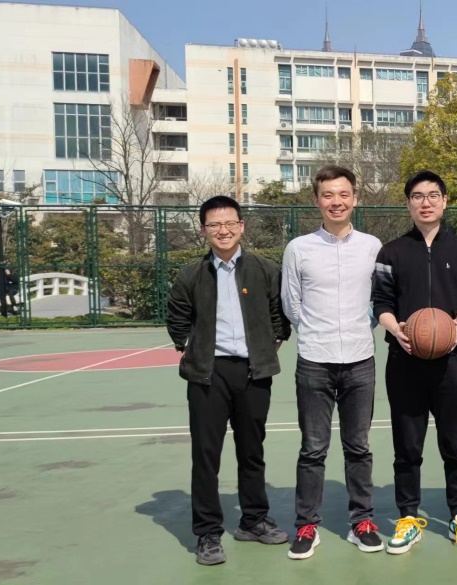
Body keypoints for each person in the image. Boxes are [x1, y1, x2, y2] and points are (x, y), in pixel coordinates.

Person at [165, 195, 292, 566]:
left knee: (252, 451)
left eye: (229, 223)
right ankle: (207, 533)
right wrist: (193, 348)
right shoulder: (191, 274)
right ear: (203, 230)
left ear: (241, 226)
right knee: (206, 456)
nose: (223, 230)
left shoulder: (265, 269)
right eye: (214, 225)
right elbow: (176, 318)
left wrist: (267, 350)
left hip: (253, 372)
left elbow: (279, 317)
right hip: (209, 374)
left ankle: (253, 520)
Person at [372, 170, 457, 554]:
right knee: (407, 448)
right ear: (408, 203)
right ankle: (408, 517)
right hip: (404, 362)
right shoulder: (391, 252)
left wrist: (455, 325)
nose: (426, 202)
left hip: (452, 362)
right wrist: (397, 328)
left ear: (445, 201)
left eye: (433, 195)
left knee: (456, 446)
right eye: (417, 196)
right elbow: (381, 303)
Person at [281, 166, 384, 560]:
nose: (336, 201)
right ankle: (307, 524)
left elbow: (379, 300)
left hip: (360, 360)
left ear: (355, 198)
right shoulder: (298, 249)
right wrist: (317, 332)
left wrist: (359, 326)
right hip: (314, 361)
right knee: (313, 449)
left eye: (343, 194)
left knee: (359, 446)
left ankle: (363, 522)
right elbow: (291, 304)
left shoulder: (373, 247)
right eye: (328, 195)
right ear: (317, 200)